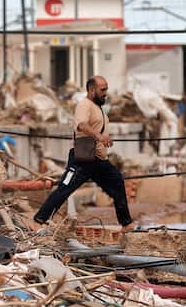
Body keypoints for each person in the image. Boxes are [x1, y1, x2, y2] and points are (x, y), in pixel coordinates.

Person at [33, 75, 137, 230]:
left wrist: (105, 138)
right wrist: (100, 136)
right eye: (102, 90)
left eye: (106, 89)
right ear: (91, 89)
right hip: (82, 159)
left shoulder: (98, 107)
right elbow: (82, 125)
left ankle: (126, 223)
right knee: (64, 188)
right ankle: (38, 220)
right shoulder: (84, 105)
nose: (105, 93)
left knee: (117, 183)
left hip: (99, 160)